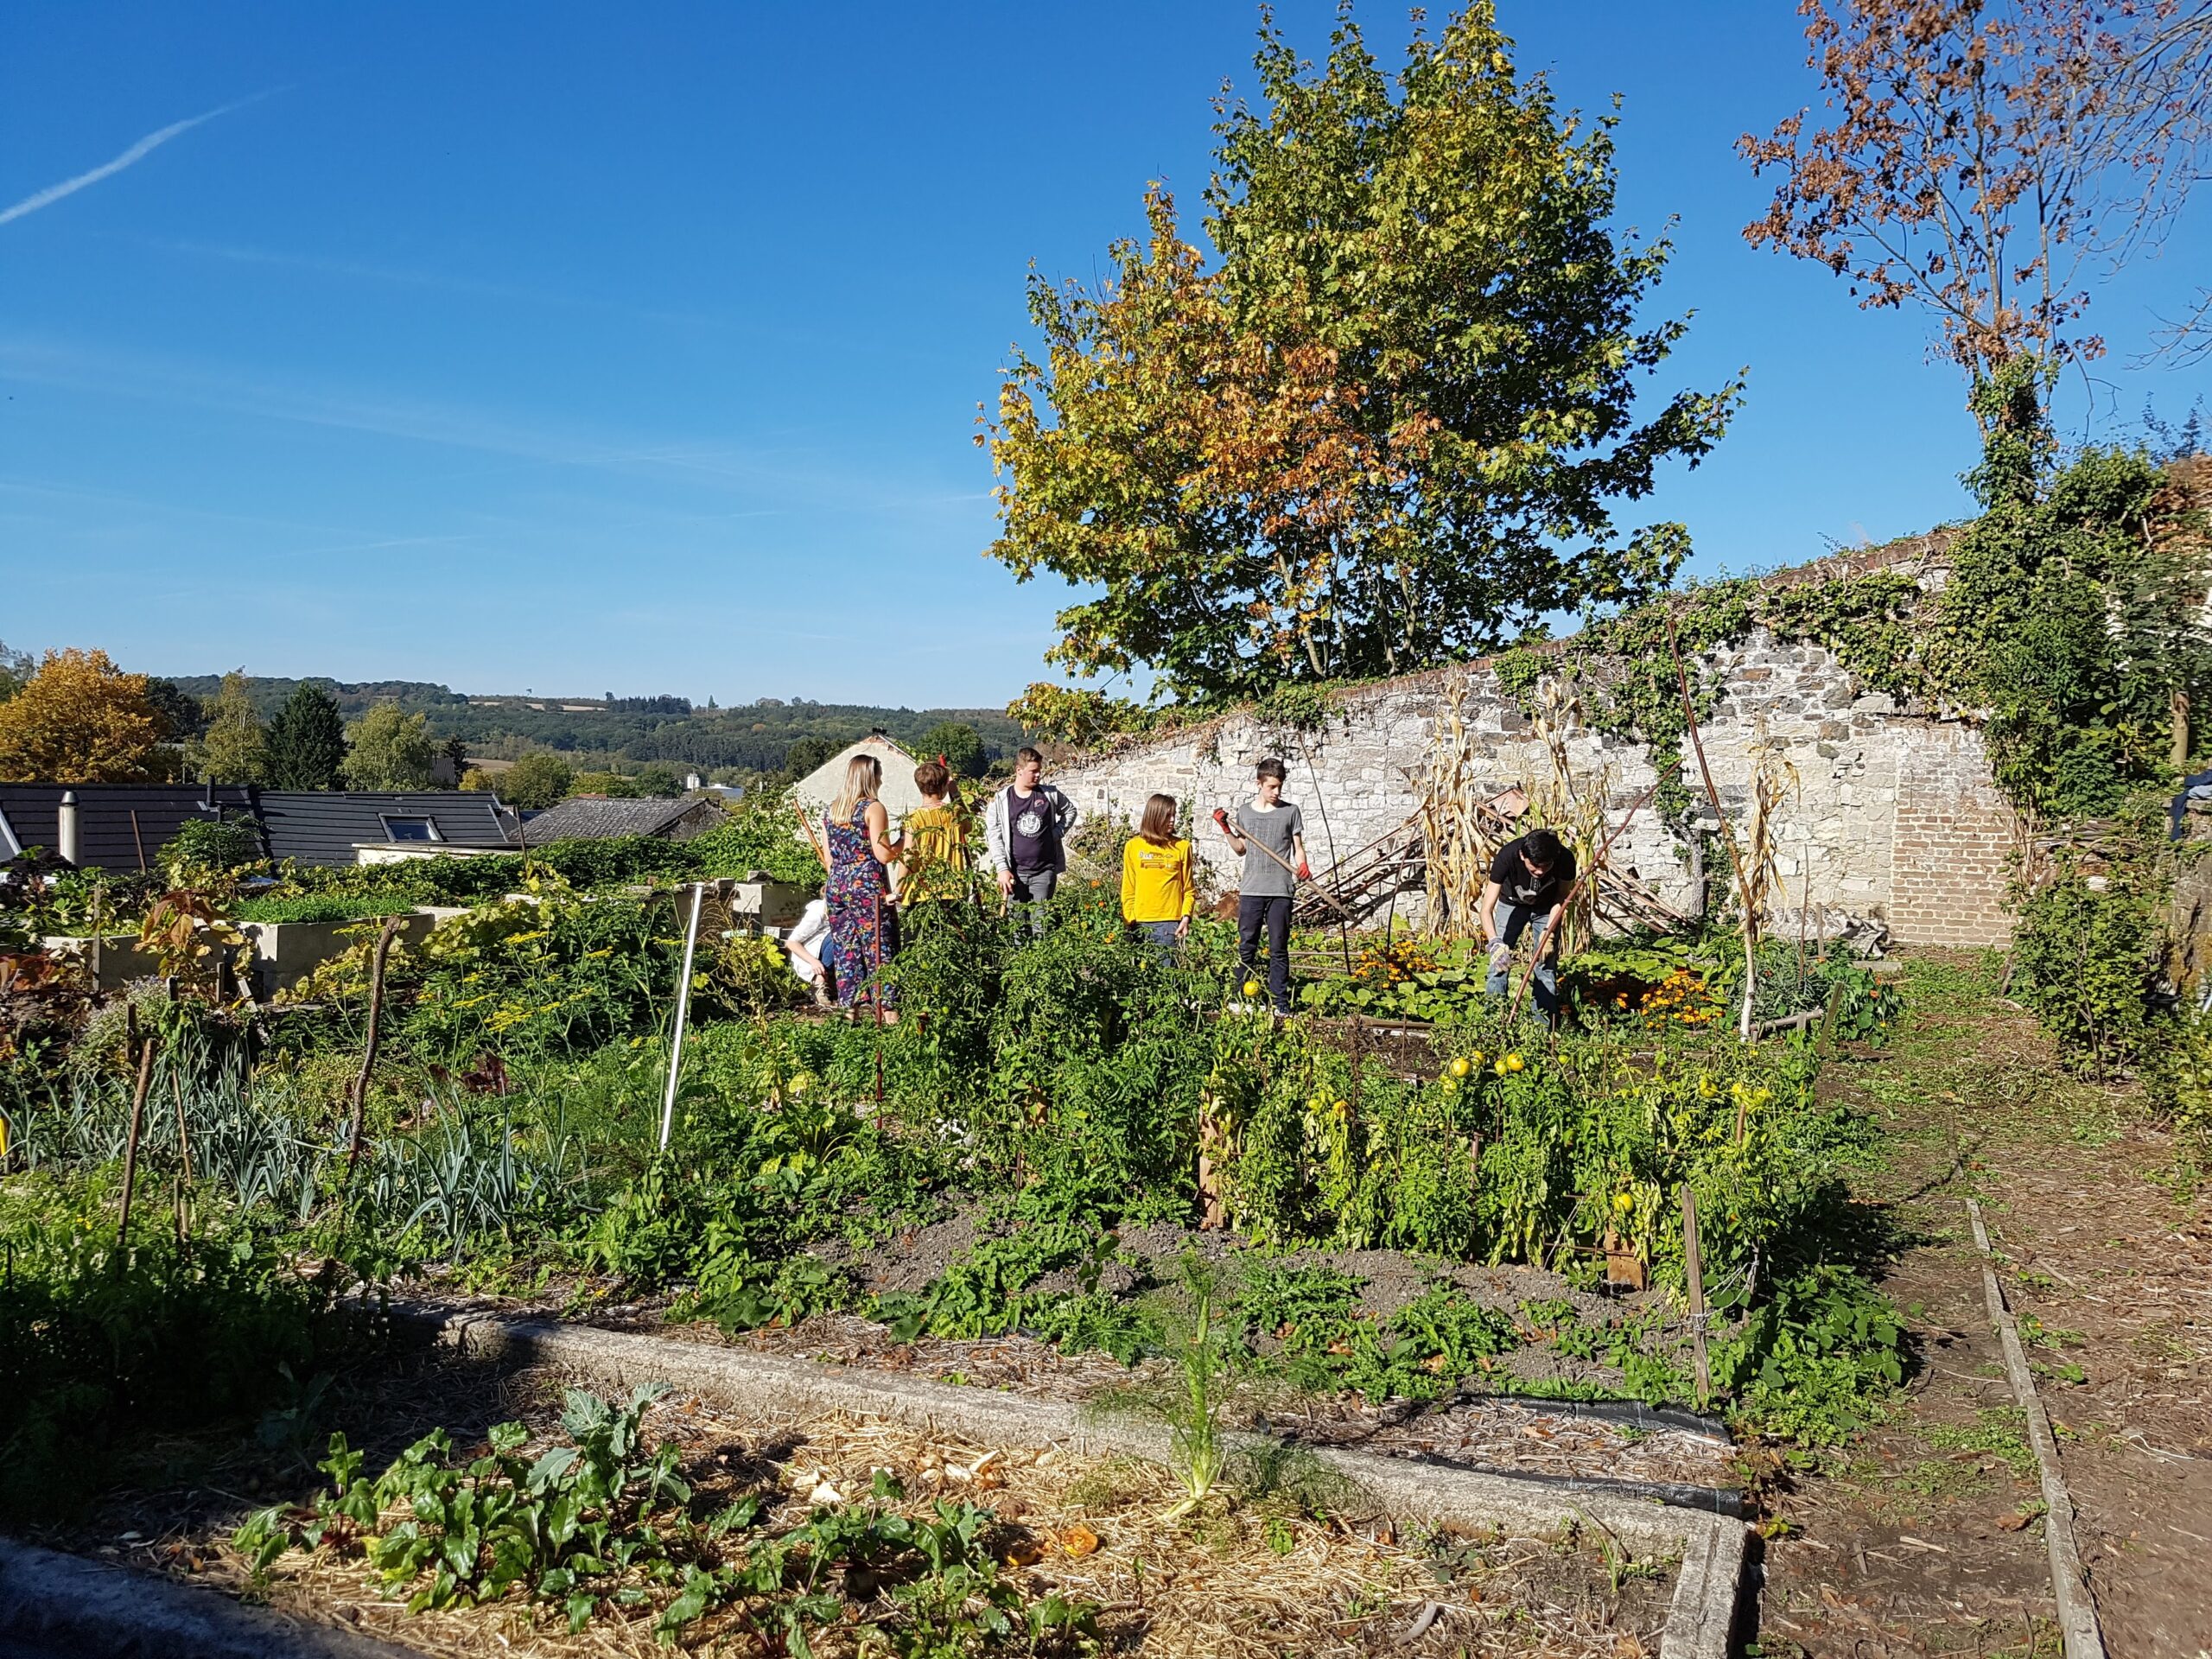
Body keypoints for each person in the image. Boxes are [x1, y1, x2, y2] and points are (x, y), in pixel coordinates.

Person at [1220, 757, 1307, 1015]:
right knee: (1247, 944)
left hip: (1280, 890)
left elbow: (1298, 849)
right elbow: (1240, 849)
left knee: (1279, 948)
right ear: (1259, 784)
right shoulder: (1245, 813)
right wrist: (1225, 828)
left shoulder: (1291, 811)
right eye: (1272, 787)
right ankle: (1239, 999)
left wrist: (1303, 866)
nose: (1277, 792)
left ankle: (1280, 1003)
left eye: (1280, 786)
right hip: (1252, 890)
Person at [823, 754, 900, 1020]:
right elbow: (884, 855)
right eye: (878, 774)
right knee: (879, 948)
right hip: (866, 885)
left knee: (846, 949)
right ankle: (888, 1014)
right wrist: (906, 841)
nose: (881, 779)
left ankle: (850, 1015)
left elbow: (828, 859)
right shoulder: (873, 808)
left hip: (837, 885)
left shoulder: (832, 810)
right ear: (870, 777)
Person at [1478, 826, 1576, 1020]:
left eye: (1546, 866)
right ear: (1523, 856)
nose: (1540, 872)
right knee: (1499, 963)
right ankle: (1494, 1022)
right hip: (1511, 905)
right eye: (1535, 866)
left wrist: (1549, 931)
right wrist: (1494, 942)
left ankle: (1543, 1027)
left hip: (1547, 909)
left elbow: (1562, 897)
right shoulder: (1507, 856)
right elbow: (1486, 909)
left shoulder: (1564, 859)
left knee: (1545, 964)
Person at [985, 746, 1080, 935]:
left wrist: (1057, 833)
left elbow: (1070, 811)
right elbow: (994, 837)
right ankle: (1018, 963)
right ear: (1019, 771)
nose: (1038, 775)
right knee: (1017, 928)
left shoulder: (1049, 795)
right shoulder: (1002, 800)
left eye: (1039, 771)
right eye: (1033, 771)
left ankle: (1043, 962)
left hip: (1043, 871)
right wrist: (1002, 869)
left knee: (1041, 926)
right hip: (1015, 875)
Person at [1121, 792, 1195, 960]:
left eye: (1174, 815)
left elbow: (1188, 889)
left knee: (1167, 980)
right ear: (1154, 816)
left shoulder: (1183, 847)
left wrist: (1185, 917)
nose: (1172, 820)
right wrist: (1129, 921)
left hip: (1169, 925)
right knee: (1141, 981)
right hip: (1139, 923)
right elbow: (1128, 888)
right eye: (1167, 815)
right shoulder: (1133, 846)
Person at [899, 760, 970, 931]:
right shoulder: (954, 813)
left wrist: (898, 889)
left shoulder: (914, 819)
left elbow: (908, 855)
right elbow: (969, 827)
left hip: (921, 891)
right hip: (953, 889)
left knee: (918, 947)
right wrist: (955, 793)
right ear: (944, 786)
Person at [785, 895, 837, 1008]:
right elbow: (792, 942)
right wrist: (814, 962)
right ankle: (819, 984)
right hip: (811, 958)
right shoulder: (817, 912)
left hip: (826, 954)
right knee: (838, 935)